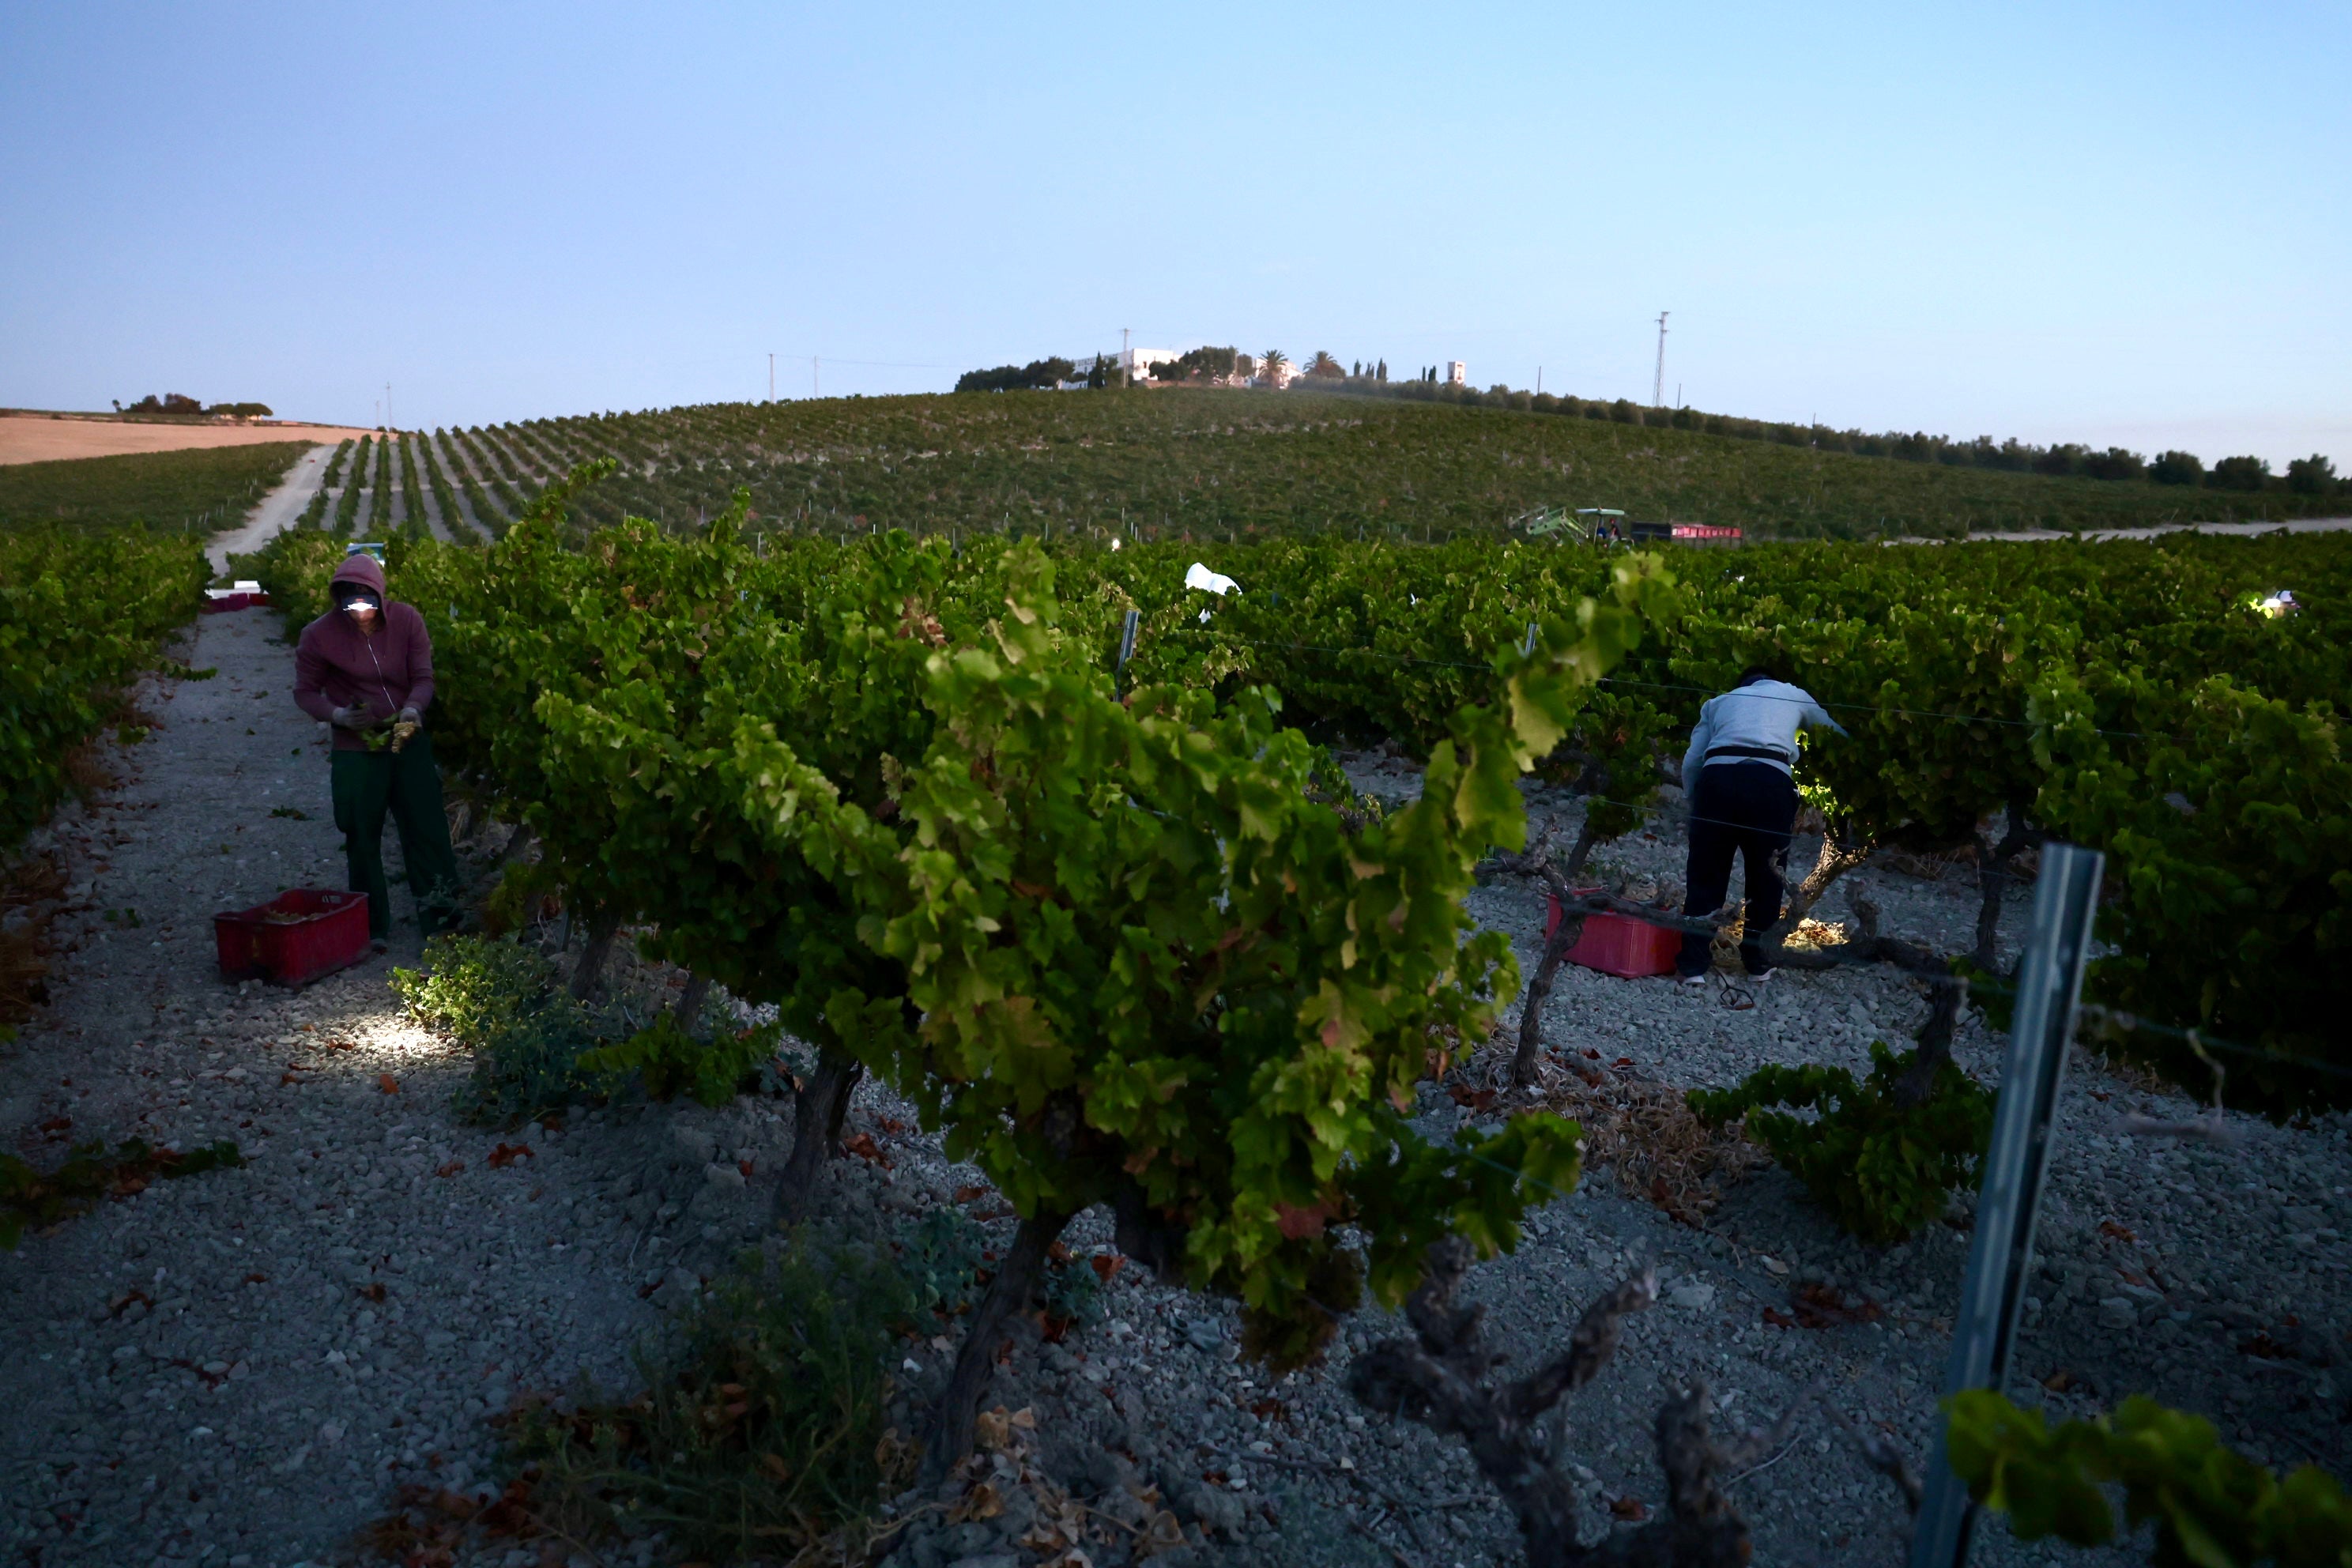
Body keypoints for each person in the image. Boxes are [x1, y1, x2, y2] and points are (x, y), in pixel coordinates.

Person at [292, 552, 463, 948]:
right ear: (338, 597)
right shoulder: (318, 635)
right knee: (360, 832)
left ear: (379, 595)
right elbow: (304, 692)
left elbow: (423, 677)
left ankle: (441, 917)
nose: (357, 605)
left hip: (406, 739)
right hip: (356, 747)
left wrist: (412, 710)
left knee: (426, 827)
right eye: (348, 596)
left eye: (365, 595)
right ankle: (371, 927)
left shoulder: (407, 621)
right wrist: (337, 715)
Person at [1673, 665, 1848, 985]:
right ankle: (1758, 964)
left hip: (1718, 781)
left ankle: (1693, 968)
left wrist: (1694, 801)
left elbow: (1692, 760)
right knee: (1767, 876)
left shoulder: (1718, 702)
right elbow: (1834, 734)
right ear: (1774, 679)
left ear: (1742, 685)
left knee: (1705, 875)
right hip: (1770, 784)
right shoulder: (1793, 694)